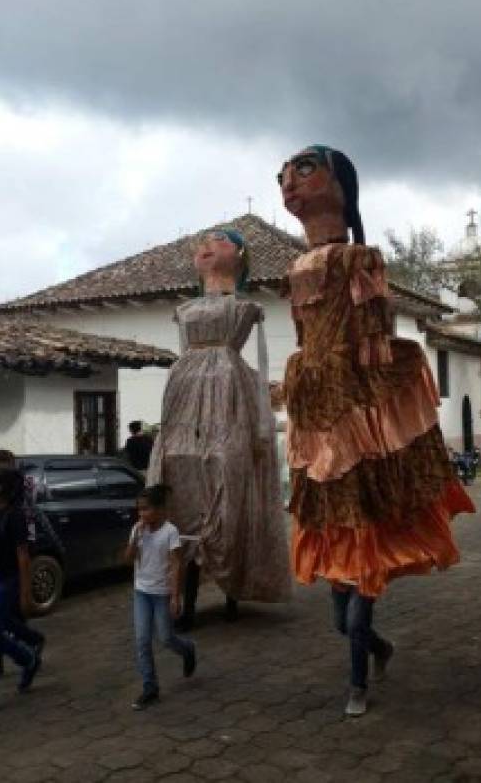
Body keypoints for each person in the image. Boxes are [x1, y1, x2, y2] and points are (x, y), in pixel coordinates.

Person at [277, 145, 475, 717]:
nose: (289, 181)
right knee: (341, 612)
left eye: (304, 169)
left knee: (358, 595)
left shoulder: (359, 258)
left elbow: (372, 329)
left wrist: (373, 393)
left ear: (342, 186)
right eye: (283, 175)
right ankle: (376, 645)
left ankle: (357, 685)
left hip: (355, 404)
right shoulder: (297, 267)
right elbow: (302, 336)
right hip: (319, 410)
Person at [147, 229, 291, 630]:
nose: (206, 248)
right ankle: (185, 599)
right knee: (182, 493)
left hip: (229, 389)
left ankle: (232, 588)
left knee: (227, 486)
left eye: (219, 242)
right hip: (185, 395)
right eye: (201, 244)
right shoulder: (184, 310)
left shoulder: (245, 308)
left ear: (241, 254)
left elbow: (255, 356)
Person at [125, 484, 196, 710]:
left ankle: (188, 650)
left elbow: (177, 564)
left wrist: (176, 596)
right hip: (141, 591)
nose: (142, 514)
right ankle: (150, 687)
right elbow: (127, 560)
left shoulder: (170, 532)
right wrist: (135, 538)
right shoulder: (138, 530)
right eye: (139, 510)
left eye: (146, 509)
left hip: (161, 593)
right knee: (142, 640)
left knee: (166, 638)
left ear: (159, 509)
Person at [0, 468, 45, 693]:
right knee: (5, 623)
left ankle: (27, 658)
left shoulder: (15, 515)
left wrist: (26, 591)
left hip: (10, 579)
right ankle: (32, 642)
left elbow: (23, 555)